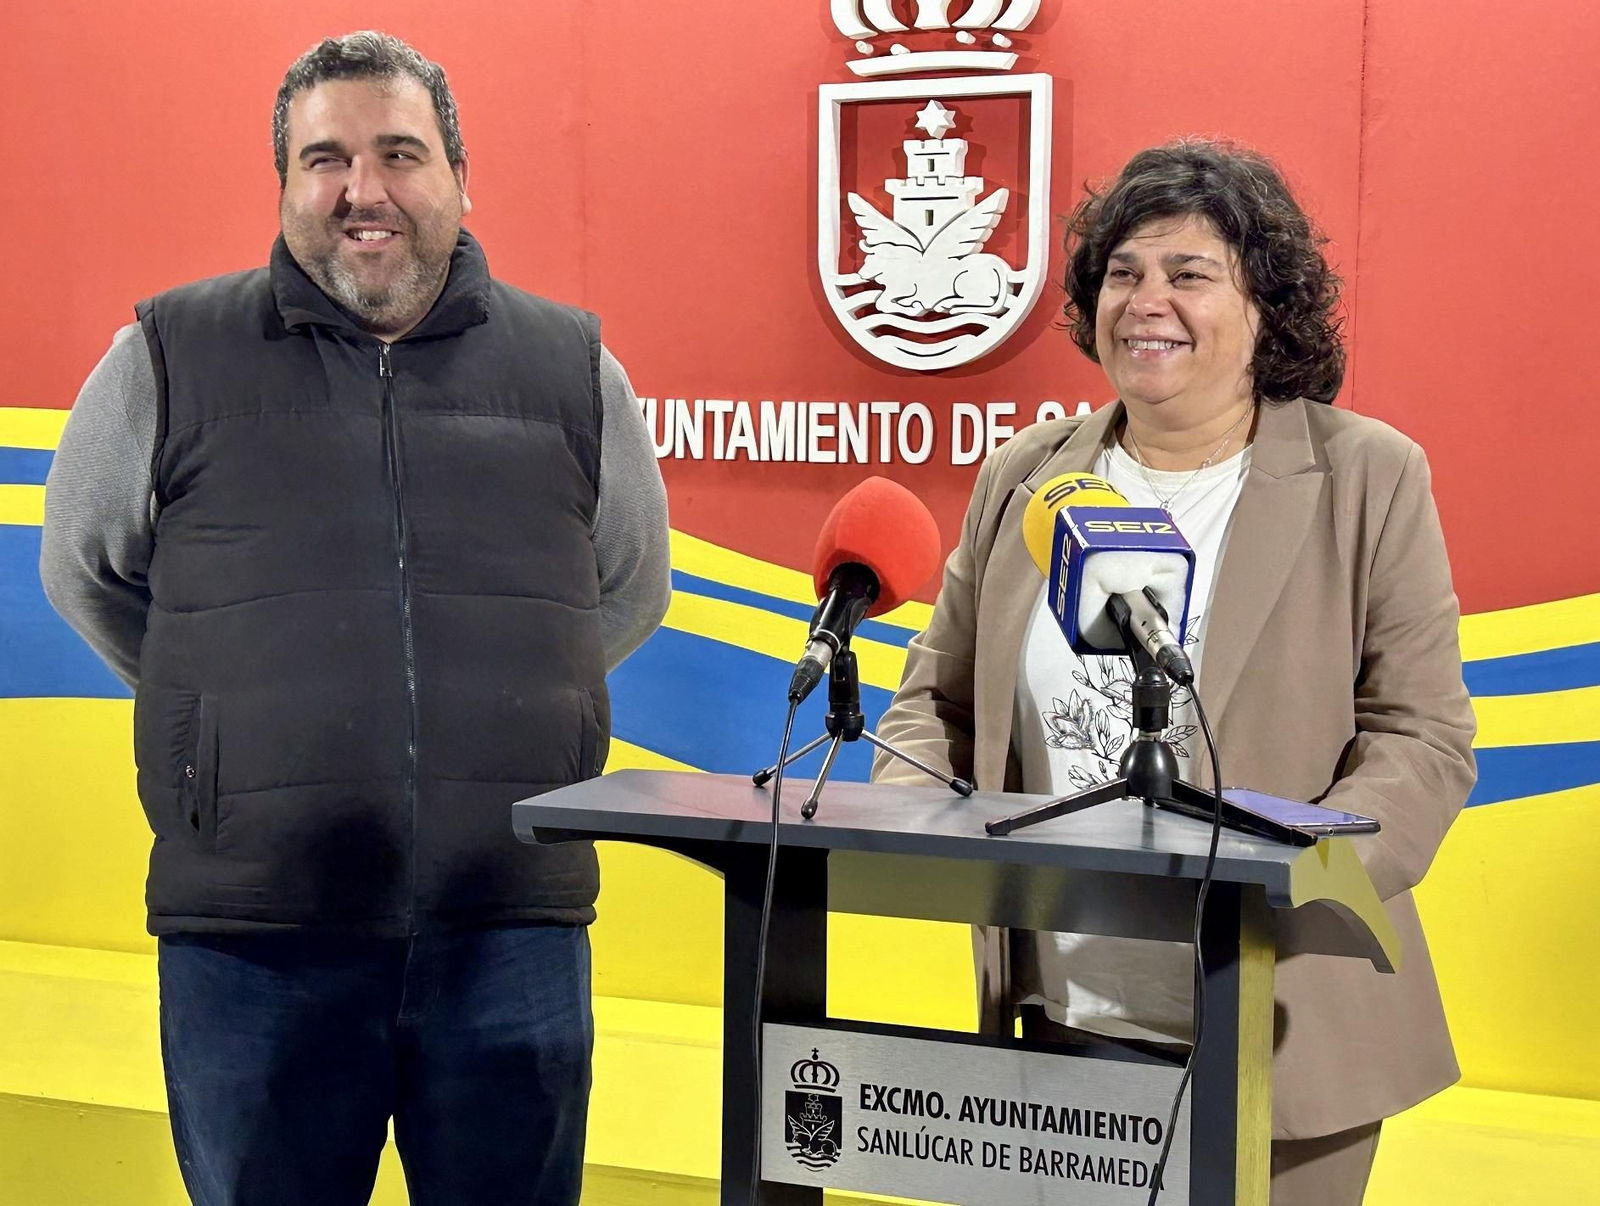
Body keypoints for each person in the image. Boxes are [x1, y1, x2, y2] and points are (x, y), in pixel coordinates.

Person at [40, 31, 670, 1206]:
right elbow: (86, 569)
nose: (361, 191)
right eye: (324, 159)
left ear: (459, 178)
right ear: (285, 183)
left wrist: (516, 705)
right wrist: (209, 712)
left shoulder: (574, 372)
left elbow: (625, 590)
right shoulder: (167, 358)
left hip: (509, 934)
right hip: (254, 940)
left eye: (399, 154)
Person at [872, 140, 1475, 1205]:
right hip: (1056, 1024)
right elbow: (937, 700)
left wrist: (1296, 870)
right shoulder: (1026, 476)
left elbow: (1418, 739)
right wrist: (914, 827)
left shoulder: (1367, 475)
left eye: (1189, 274)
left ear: (1266, 306)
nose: (1146, 301)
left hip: (1281, 1029)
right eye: (1123, 273)